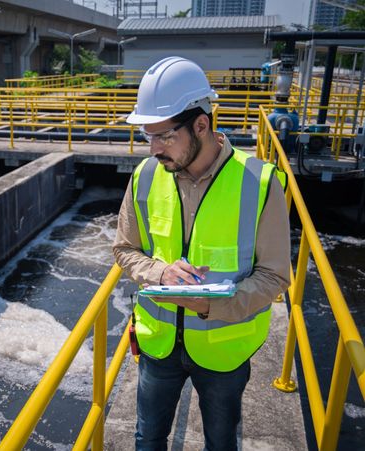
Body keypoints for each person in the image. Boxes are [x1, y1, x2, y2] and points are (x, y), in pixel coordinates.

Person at [113, 56, 291, 451]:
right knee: (148, 439)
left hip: (224, 352)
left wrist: (211, 307)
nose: (154, 148)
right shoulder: (144, 176)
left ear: (201, 125)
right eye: (148, 136)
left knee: (221, 442)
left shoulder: (260, 183)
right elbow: (125, 248)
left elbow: (275, 275)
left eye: (164, 136)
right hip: (158, 344)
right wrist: (159, 273)